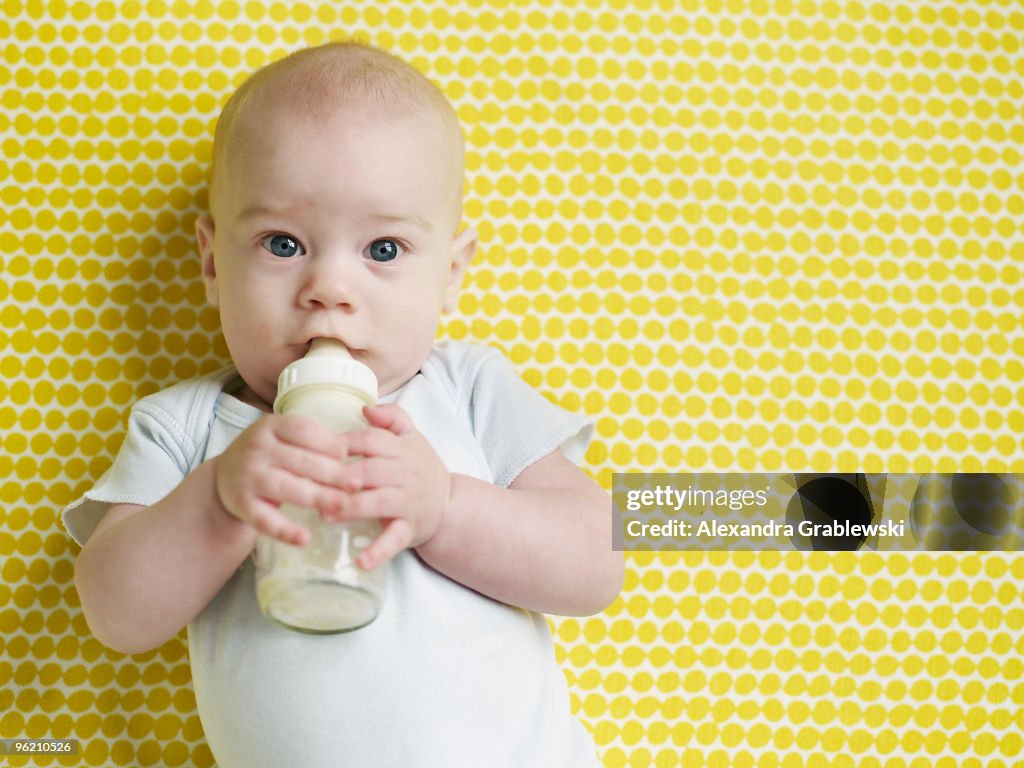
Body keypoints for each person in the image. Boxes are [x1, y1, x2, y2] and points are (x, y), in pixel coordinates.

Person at [64, 40, 623, 767]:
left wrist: (446, 507)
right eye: (282, 243)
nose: (328, 286)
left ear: (451, 275)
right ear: (210, 264)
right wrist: (217, 502)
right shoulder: (188, 427)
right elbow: (115, 614)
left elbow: (597, 563)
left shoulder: (468, 389)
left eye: (383, 250)